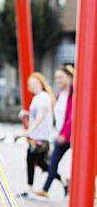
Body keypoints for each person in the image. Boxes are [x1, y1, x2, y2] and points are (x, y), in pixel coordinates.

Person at [33, 64, 74, 199]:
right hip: (61, 134)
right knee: (53, 160)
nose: (58, 80)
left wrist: (65, 134)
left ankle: (48, 188)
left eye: (61, 77)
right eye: (56, 78)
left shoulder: (74, 95)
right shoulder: (59, 95)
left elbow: (71, 117)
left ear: (69, 77)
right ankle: (47, 189)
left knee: (81, 163)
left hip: (71, 135)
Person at [16, 72, 56, 199]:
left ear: (40, 82)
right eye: (29, 84)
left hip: (41, 137)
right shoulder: (36, 98)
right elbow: (35, 116)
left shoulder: (44, 97)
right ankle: (29, 188)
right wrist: (26, 114)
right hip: (35, 135)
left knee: (41, 163)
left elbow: (40, 117)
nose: (31, 86)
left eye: (34, 83)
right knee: (32, 160)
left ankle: (64, 180)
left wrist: (27, 132)